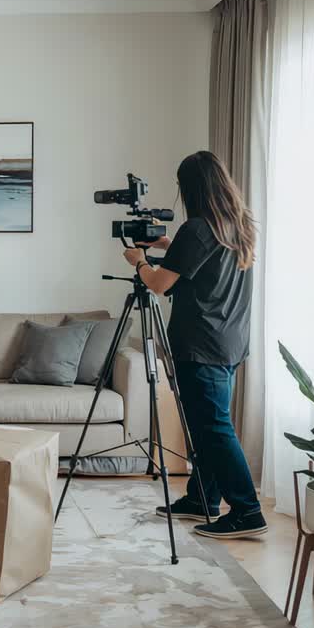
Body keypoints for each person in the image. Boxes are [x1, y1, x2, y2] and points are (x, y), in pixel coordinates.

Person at [123, 150, 264, 539]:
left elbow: (159, 284)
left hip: (200, 344)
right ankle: (202, 497)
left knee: (214, 427)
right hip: (229, 342)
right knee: (205, 425)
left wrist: (138, 260)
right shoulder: (236, 226)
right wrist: (169, 244)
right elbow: (203, 263)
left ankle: (248, 511)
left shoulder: (199, 229)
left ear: (192, 187)